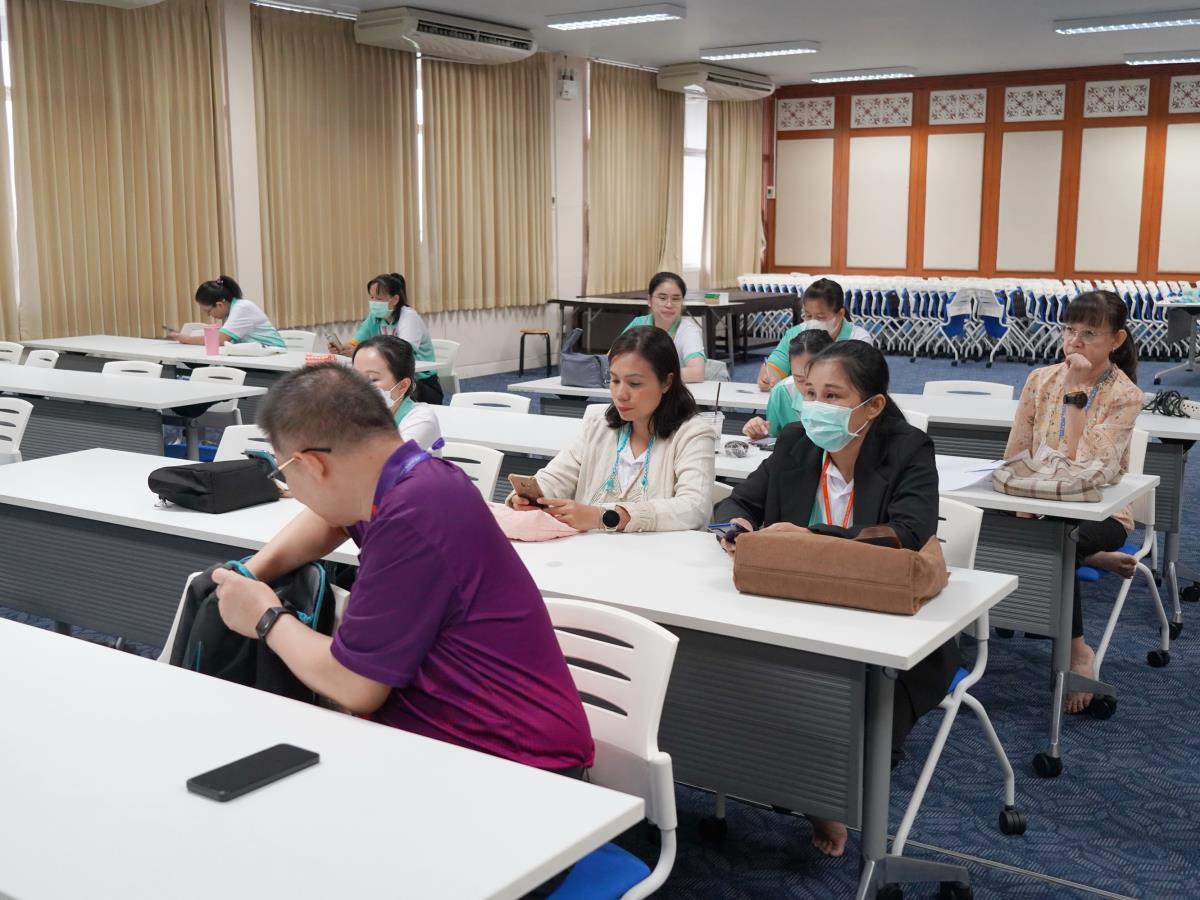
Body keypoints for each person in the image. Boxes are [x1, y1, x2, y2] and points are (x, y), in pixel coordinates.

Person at [210, 363, 593, 773]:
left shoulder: (412, 517)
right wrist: (253, 571)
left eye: (284, 472)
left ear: (313, 465)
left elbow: (354, 685)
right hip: (453, 738)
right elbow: (334, 519)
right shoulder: (412, 477)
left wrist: (266, 617)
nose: (295, 491)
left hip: (514, 765)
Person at [715, 340, 957, 858]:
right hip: (793, 607)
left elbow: (908, 533)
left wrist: (806, 539)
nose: (815, 407)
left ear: (872, 406)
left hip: (884, 618)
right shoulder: (796, 441)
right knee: (735, 676)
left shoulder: (908, 448)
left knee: (841, 707)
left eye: (833, 396)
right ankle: (805, 782)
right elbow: (740, 500)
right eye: (810, 393)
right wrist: (738, 524)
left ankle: (825, 789)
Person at [1003, 290, 1142, 715]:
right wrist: (1017, 499)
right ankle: (1092, 556)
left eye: (1089, 333)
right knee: (985, 526)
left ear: (1116, 340)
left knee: (1056, 541)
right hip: (1038, 501)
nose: (1074, 341)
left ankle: (1077, 648)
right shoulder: (1039, 379)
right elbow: (1016, 452)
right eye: (1069, 330)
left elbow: (1088, 469)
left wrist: (1077, 393)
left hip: (1101, 510)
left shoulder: (1126, 395)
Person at [508, 325, 715, 532]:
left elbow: (693, 508)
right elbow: (558, 475)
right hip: (591, 549)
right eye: (614, 380)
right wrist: (530, 496)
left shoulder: (693, 434)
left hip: (658, 552)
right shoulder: (599, 424)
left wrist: (606, 517)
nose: (620, 394)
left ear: (667, 382)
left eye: (634, 383)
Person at [333, 273, 445, 405]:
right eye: (372, 297)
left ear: (395, 299)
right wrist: (343, 348)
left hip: (420, 384)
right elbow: (356, 341)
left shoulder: (409, 317)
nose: (374, 303)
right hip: (392, 380)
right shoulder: (375, 317)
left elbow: (403, 355)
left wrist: (356, 351)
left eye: (379, 299)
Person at [756, 278, 873, 391]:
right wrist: (769, 376)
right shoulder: (794, 334)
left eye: (820, 317)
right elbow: (777, 363)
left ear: (840, 314)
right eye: (808, 315)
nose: (813, 322)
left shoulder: (858, 339)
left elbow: (859, 383)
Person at [352, 335, 443, 453]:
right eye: (354, 376)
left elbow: (390, 459)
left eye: (372, 379)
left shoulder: (422, 419)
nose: (359, 385)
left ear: (402, 386)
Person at [742, 329, 833, 441]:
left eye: (814, 378)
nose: (807, 387)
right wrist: (759, 432)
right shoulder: (782, 392)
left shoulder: (844, 394)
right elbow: (772, 439)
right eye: (799, 379)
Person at [620, 271, 706, 384]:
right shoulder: (638, 324)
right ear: (649, 300)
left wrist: (648, 376)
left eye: (676, 299)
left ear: (682, 303)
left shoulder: (688, 331)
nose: (669, 305)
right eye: (662, 298)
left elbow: (697, 373)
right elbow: (612, 360)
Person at [174, 276, 285, 349]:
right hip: (260, 354)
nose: (209, 315)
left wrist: (186, 339)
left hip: (273, 355)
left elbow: (219, 340)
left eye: (208, 311)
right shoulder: (234, 309)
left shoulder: (242, 308)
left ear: (220, 305)